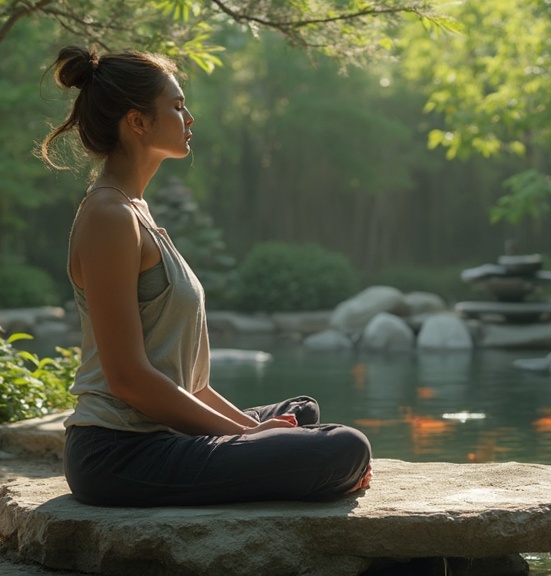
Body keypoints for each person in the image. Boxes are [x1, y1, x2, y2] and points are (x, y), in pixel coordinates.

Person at [39, 45, 372, 507]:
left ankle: (296, 459)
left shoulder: (135, 211)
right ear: (138, 122)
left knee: (300, 412)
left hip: (158, 434)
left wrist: (254, 431)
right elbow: (128, 379)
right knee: (345, 448)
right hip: (119, 451)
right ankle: (313, 466)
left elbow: (191, 386)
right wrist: (251, 437)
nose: (189, 117)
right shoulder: (109, 217)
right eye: (176, 106)